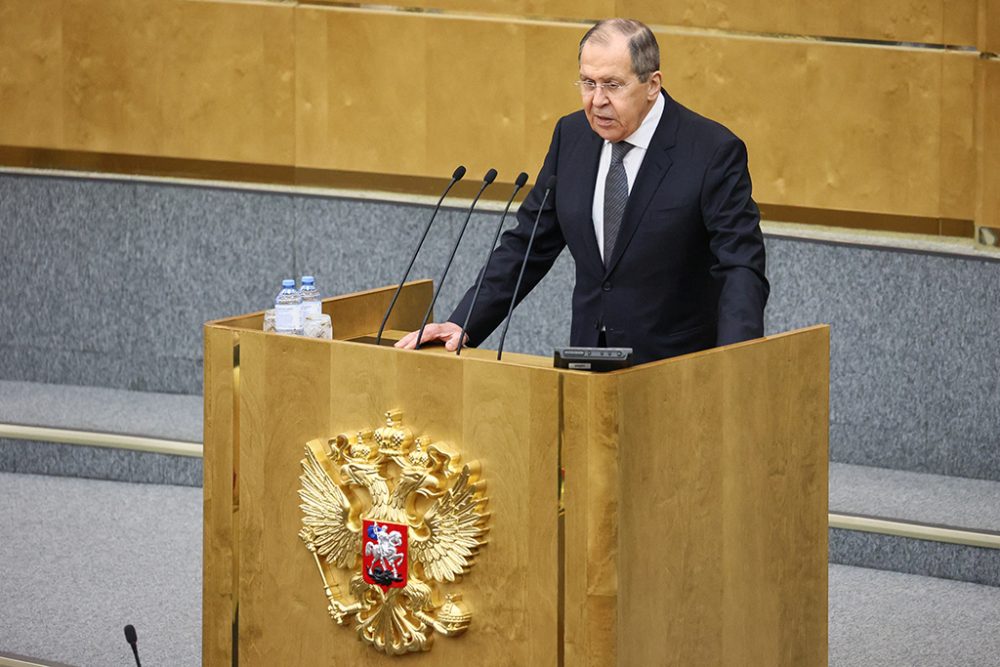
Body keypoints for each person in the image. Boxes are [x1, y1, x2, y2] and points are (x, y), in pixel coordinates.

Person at [396, 18, 769, 364]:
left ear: (652, 84)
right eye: (588, 83)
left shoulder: (710, 151)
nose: (597, 100)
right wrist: (465, 323)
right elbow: (527, 244)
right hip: (588, 364)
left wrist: (732, 366)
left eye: (613, 85)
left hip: (675, 369)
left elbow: (740, 266)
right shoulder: (571, 137)